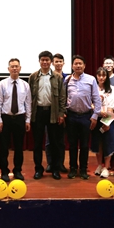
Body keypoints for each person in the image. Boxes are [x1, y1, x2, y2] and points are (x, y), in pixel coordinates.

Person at [29, 51, 66, 180]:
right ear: (39, 61)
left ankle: (55, 169)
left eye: (47, 60)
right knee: (37, 143)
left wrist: (61, 113)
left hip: (53, 112)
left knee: (54, 142)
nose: (45, 62)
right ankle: (38, 169)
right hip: (38, 112)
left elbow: (62, 97)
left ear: (51, 62)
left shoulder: (57, 77)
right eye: (42, 60)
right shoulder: (33, 77)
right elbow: (29, 97)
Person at [64, 55, 101, 180]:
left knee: (84, 145)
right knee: (72, 145)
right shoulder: (67, 80)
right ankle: (73, 169)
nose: (78, 66)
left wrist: (95, 116)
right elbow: (63, 98)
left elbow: (96, 99)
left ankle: (84, 169)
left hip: (86, 116)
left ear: (84, 65)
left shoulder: (91, 79)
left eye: (80, 63)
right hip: (71, 116)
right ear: (72, 66)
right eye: (76, 63)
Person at [0, 58, 31, 182]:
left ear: (20, 68)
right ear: (8, 69)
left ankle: (17, 170)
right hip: (6, 118)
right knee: (4, 147)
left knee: (19, 147)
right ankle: (4, 171)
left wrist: (28, 120)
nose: (14, 68)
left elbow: (28, 103)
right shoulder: (2, 84)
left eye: (16, 66)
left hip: (20, 118)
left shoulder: (25, 85)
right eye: (12, 66)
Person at [93, 67, 114, 179]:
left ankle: (106, 167)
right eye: (99, 75)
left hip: (108, 119)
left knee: (108, 143)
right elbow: (91, 103)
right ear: (96, 76)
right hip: (96, 119)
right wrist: (98, 111)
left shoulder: (112, 89)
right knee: (98, 143)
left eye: (104, 75)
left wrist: (107, 122)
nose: (101, 78)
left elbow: (113, 106)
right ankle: (99, 165)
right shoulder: (93, 88)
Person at [45, 53, 68, 174]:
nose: (58, 64)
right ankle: (50, 163)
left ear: (63, 63)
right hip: (51, 113)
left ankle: (60, 163)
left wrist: (63, 111)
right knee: (49, 140)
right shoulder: (49, 77)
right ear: (52, 63)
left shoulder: (68, 78)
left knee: (61, 140)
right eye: (56, 62)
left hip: (64, 113)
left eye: (60, 61)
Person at [103, 55, 114, 170]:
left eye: (110, 63)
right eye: (106, 63)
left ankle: (113, 161)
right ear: (103, 65)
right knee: (103, 137)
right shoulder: (100, 77)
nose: (108, 65)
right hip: (103, 113)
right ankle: (104, 162)